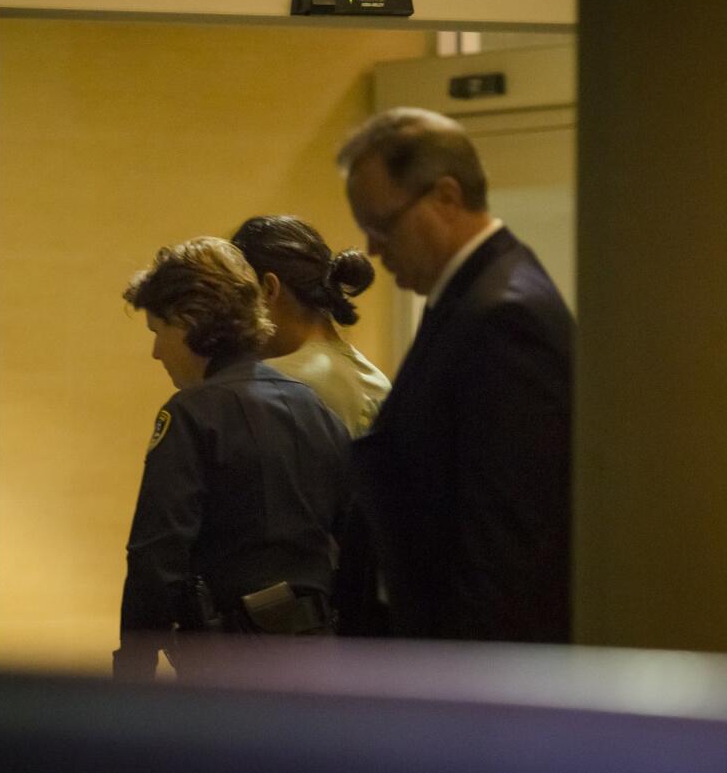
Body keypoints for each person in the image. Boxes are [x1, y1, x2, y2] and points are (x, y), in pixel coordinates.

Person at [336, 107, 574, 643]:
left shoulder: (505, 317)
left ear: (445, 197)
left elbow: (506, 549)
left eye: (382, 225)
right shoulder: (471, 299)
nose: (373, 249)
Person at [113, 237, 352, 679]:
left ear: (189, 319)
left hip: (226, 667)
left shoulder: (191, 415)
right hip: (318, 658)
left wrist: (133, 669)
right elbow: (357, 540)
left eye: (157, 331)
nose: (156, 352)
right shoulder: (312, 407)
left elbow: (155, 555)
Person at [231, 215, 392, 635]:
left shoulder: (283, 383)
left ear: (268, 289)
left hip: (321, 617)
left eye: (237, 298)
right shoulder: (368, 373)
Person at [231, 215, 390, 439]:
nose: (234, 315)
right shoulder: (377, 381)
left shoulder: (273, 383)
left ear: (268, 289)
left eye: (239, 296)